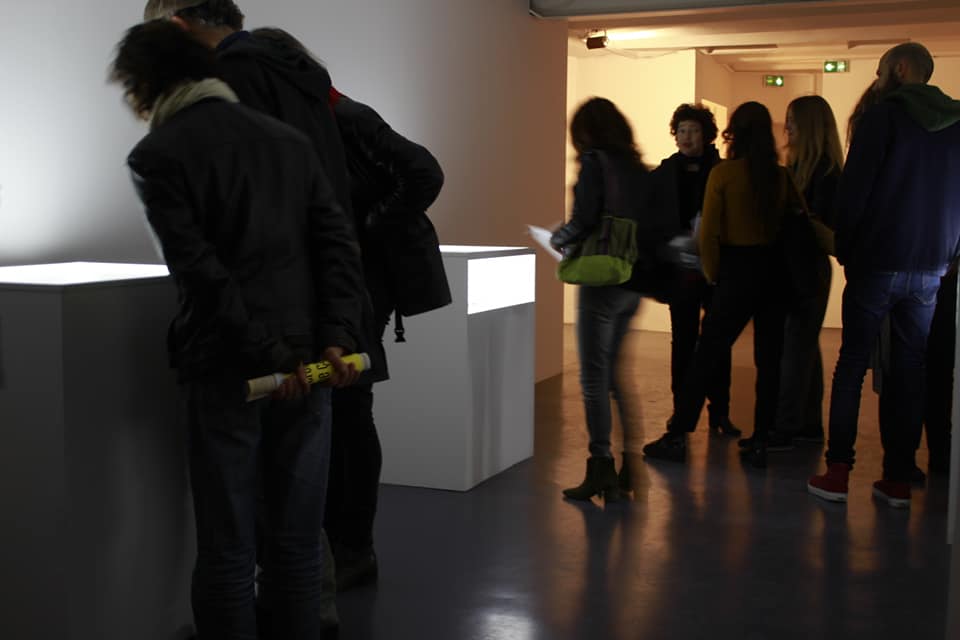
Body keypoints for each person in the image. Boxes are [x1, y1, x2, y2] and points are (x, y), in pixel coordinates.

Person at [111, 20, 365, 640]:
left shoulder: (158, 153)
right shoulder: (286, 141)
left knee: (228, 551)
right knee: (297, 545)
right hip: (311, 363)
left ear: (145, 85)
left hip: (231, 369)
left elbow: (202, 273)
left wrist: (266, 354)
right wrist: (335, 335)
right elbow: (336, 244)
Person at [250, 27, 449, 591]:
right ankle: (340, 546)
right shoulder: (311, 120)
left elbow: (425, 171)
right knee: (341, 405)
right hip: (343, 277)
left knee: (350, 405)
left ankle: (354, 548)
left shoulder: (348, 116)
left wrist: (366, 228)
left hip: (364, 280)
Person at [807, 43, 960, 508]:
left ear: (900, 69)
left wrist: (847, 248)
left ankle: (838, 472)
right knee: (911, 369)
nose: (876, 80)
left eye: (879, 71)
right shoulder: (956, 125)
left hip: (878, 262)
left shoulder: (882, 117)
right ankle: (897, 479)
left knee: (853, 363)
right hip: (931, 268)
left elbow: (855, 192)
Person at [642, 101, 803, 468]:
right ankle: (760, 440)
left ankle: (677, 435)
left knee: (706, 354)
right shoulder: (781, 176)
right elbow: (800, 223)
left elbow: (709, 235)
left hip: (737, 272)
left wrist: (714, 277)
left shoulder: (725, 175)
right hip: (774, 276)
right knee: (769, 360)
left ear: (733, 134)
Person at [551, 97, 649, 502]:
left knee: (593, 379)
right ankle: (631, 465)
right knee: (615, 377)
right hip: (632, 279)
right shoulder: (637, 168)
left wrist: (557, 238)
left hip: (600, 281)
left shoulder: (594, 163)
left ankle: (601, 466)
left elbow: (584, 219)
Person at [650, 104, 741, 438]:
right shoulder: (663, 173)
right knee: (683, 341)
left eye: (694, 130)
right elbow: (652, 218)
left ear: (707, 135)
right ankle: (681, 411)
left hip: (716, 268)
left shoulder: (721, 169)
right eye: (682, 130)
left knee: (718, 342)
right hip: (681, 271)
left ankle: (720, 411)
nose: (687, 137)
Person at [761, 95, 843, 450]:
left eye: (793, 120)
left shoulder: (825, 173)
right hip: (801, 267)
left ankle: (787, 427)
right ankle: (808, 425)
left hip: (806, 269)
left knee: (795, 349)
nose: (787, 126)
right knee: (804, 347)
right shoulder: (804, 168)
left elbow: (829, 228)